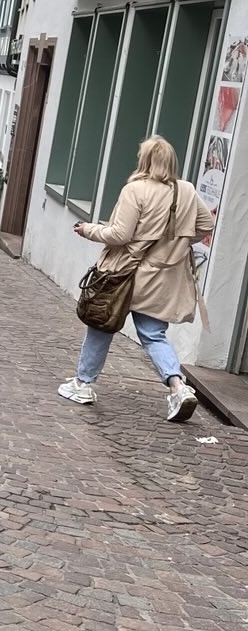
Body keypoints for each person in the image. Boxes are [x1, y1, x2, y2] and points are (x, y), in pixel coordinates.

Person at [58, 135, 212, 422]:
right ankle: (178, 387)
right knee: (153, 334)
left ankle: (83, 384)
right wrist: (177, 244)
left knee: (102, 325)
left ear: (145, 160)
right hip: (162, 279)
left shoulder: (135, 190)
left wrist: (88, 229)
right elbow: (206, 224)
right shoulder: (186, 190)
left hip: (126, 273)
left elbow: (120, 234)